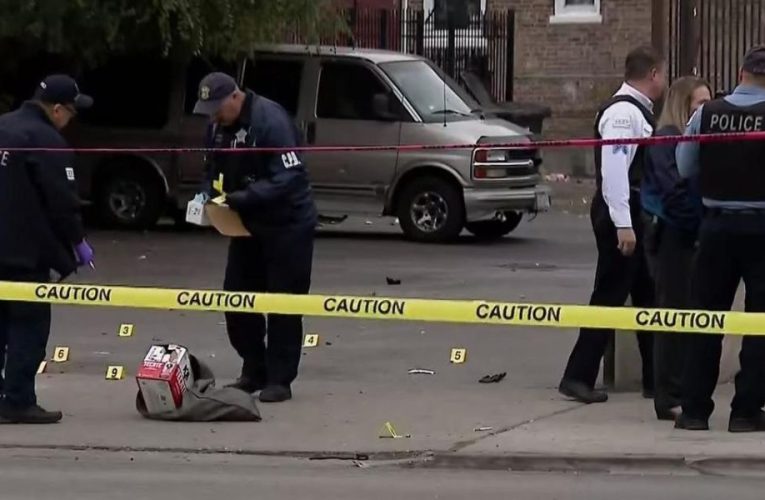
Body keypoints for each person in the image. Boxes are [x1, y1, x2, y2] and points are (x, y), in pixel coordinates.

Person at [193, 72, 317, 403]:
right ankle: (254, 368)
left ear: (235, 97)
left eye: (217, 108)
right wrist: (205, 195)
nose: (214, 116)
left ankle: (280, 379)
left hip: (287, 225)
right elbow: (211, 169)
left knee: (283, 303)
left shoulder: (270, 120)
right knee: (236, 299)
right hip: (245, 225)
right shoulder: (217, 126)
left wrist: (241, 198)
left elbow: (289, 177)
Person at [559, 46, 667, 403]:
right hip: (621, 211)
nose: (664, 82)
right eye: (662, 75)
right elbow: (616, 171)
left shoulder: (634, 111)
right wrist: (624, 224)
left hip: (630, 210)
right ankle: (577, 376)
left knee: (647, 296)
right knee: (608, 294)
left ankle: (657, 378)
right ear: (653, 74)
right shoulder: (623, 113)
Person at [675, 45, 765, 432]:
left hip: (715, 228)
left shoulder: (707, 113)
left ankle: (694, 411)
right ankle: (745, 411)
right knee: (760, 325)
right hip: (762, 230)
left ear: (742, 72)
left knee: (704, 319)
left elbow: (684, 165)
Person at [0, 75, 94, 423]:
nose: (70, 121)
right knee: (28, 327)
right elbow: (62, 202)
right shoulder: (47, 141)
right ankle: (18, 401)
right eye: (70, 113)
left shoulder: (3, 127)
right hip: (26, 254)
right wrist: (77, 241)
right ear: (57, 110)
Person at [640, 77, 711, 421]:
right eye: (699, 104)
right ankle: (668, 394)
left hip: (690, 233)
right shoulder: (668, 138)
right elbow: (674, 190)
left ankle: (680, 387)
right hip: (673, 235)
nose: (706, 110)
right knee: (673, 313)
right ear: (684, 105)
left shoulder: (692, 139)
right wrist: (700, 222)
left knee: (690, 312)